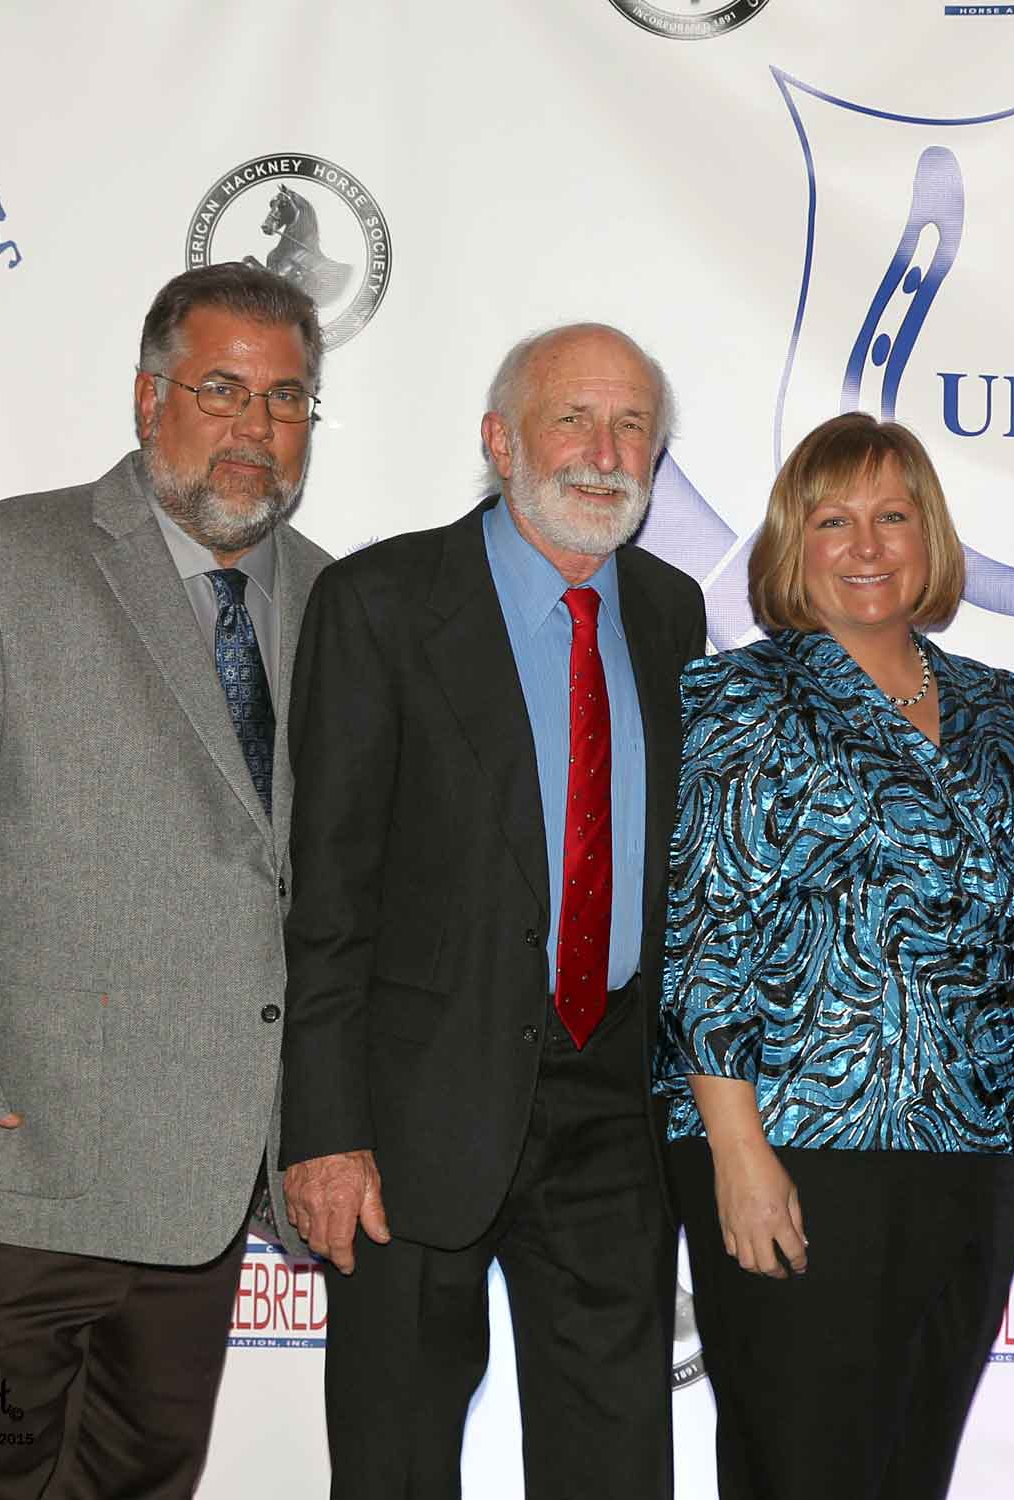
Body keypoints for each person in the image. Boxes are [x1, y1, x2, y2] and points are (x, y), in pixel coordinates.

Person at [0, 262, 331, 1498]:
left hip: (197, 1208)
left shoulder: (336, 602)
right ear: (146, 397)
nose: (253, 429)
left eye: (286, 401)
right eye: (221, 389)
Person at [280, 323, 705, 1499]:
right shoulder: (379, 602)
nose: (603, 449)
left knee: (617, 1459)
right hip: (412, 1111)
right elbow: (325, 892)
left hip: (614, 1106)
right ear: (498, 440)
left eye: (632, 426)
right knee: (398, 1456)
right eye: (574, 417)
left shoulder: (669, 613)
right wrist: (322, 1127)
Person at [657, 412, 1014, 1500]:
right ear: (790, 547)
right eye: (834, 520)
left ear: (932, 536)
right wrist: (736, 1151)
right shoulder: (738, 699)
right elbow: (705, 933)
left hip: (974, 1140)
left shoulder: (1000, 704)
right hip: (798, 1138)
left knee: (911, 1466)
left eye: (894, 516)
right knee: (799, 1465)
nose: (868, 545)